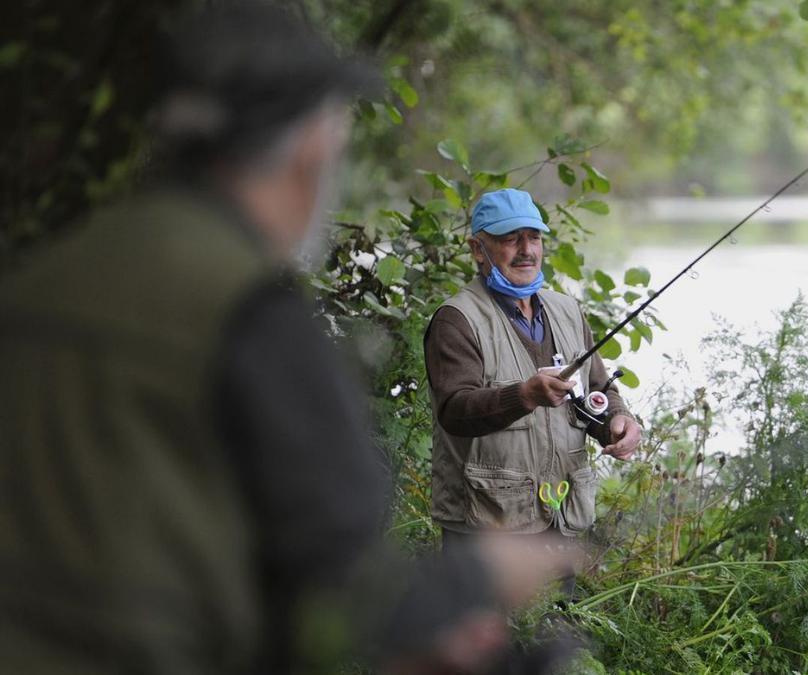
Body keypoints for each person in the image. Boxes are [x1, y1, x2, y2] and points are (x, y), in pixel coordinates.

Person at [0, 4, 568, 674]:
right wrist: (481, 574)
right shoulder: (246, 312)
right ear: (308, 150)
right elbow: (356, 591)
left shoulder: (39, 278)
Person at [424, 188, 642, 570]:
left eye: (534, 237)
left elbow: (599, 389)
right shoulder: (456, 320)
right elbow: (454, 411)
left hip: (560, 518)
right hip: (485, 525)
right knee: (487, 629)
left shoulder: (567, 310)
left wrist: (617, 422)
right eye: (511, 238)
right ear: (478, 249)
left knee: (559, 626)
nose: (526, 249)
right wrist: (523, 395)